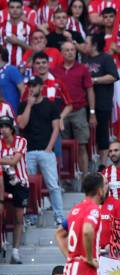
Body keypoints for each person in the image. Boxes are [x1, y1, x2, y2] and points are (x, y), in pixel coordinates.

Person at [17, 76, 64, 225]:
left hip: (45, 151)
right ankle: (32, 215)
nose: (31, 88)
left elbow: (56, 128)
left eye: (34, 85)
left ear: (41, 87)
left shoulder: (51, 105)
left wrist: (49, 148)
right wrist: (29, 106)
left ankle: (59, 216)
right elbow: (22, 125)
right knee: (29, 186)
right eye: (30, 86)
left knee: (53, 185)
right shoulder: (23, 105)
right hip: (28, 152)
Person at [51, 41, 95, 178]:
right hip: (61, 113)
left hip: (79, 111)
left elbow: (89, 90)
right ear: (62, 53)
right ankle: (67, 178)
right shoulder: (54, 70)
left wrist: (92, 113)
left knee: (82, 145)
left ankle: (85, 178)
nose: (70, 52)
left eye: (72, 50)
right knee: (63, 147)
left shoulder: (82, 69)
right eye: (67, 50)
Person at [82, 33, 118, 165]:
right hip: (85, 103)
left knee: (102, 134)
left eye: (86, 43)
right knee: (86, 135)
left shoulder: (106, 58)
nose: (84, 45)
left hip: (103, 102)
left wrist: (94, 80)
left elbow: (113, 77)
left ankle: (102, 163)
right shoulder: (84, 58)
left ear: (94, 45)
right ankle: (90, 159)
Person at [0, 115, 28, 264]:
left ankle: (15, 251)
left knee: (18, 218)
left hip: (20, 183)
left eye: (5, 126)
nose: (3, 130)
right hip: (4, 181)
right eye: (1, 127)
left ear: (11, 128)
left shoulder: (21, 141)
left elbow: (14, 161)